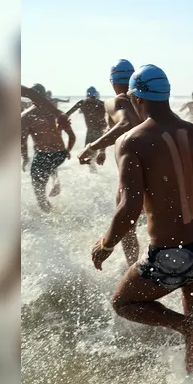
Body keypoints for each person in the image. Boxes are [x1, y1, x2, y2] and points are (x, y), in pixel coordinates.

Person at [90, 64, 193, 384]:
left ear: (136, 98)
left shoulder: (131, 142)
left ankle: (184, 327)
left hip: (169, 255)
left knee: (123, 304)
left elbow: (129, 209)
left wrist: (104, 246)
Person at [77, 59, 144, 265]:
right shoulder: (146, 100)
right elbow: (113, 129)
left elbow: (125, 123)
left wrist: (92, 147)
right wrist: (104, 149)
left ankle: (133, 270)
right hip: (159, 168)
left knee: (127, 226)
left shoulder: (116, 101)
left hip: (133, 173)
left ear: (112, 81)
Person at [22, 84, 76, 212]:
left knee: (40, 195)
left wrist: (25, 158)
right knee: (49, 164)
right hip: (60, 154)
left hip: (42, 154)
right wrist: (67, 151)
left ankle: (51, 218)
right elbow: (72, 136)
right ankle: (56, 180)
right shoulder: (55, 113)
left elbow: (22, 142)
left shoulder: (26, 116)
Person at [65, 87, 109, 169]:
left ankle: (94, 175)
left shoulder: (82, 103)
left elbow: (67, 114)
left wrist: (65, 123)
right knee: (99, 154)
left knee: (88, 156)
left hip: (90, 132)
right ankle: (101, 177)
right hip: (102, 132)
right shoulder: (102, 104)